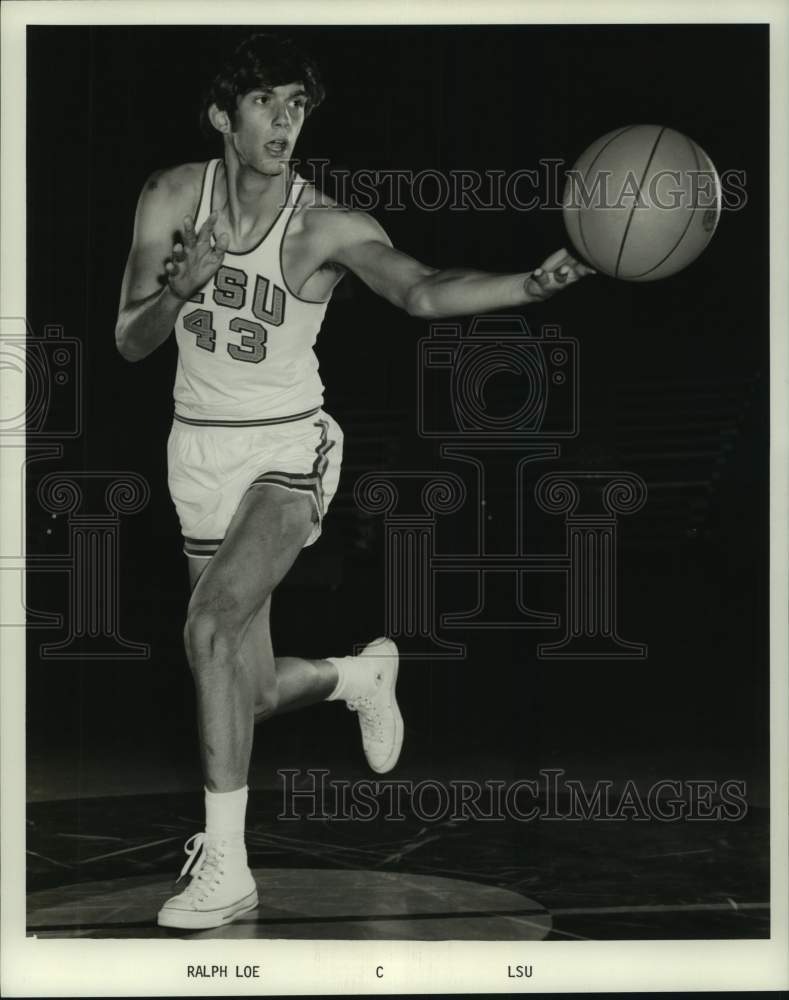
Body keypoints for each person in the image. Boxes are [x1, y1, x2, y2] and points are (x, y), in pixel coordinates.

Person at [114, 33, 593, 931]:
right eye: (265, 102)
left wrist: (525, 286)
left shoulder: (324, 225)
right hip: (197, 455)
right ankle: (357, 678)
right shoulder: (172, 197)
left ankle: (226, 866)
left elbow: (417, 289)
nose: (286, 121)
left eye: (298, 103)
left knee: (209, 628)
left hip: (287, 453)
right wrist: (184, 289)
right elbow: (130, 341)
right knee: (242, 688)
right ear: (223, 115)